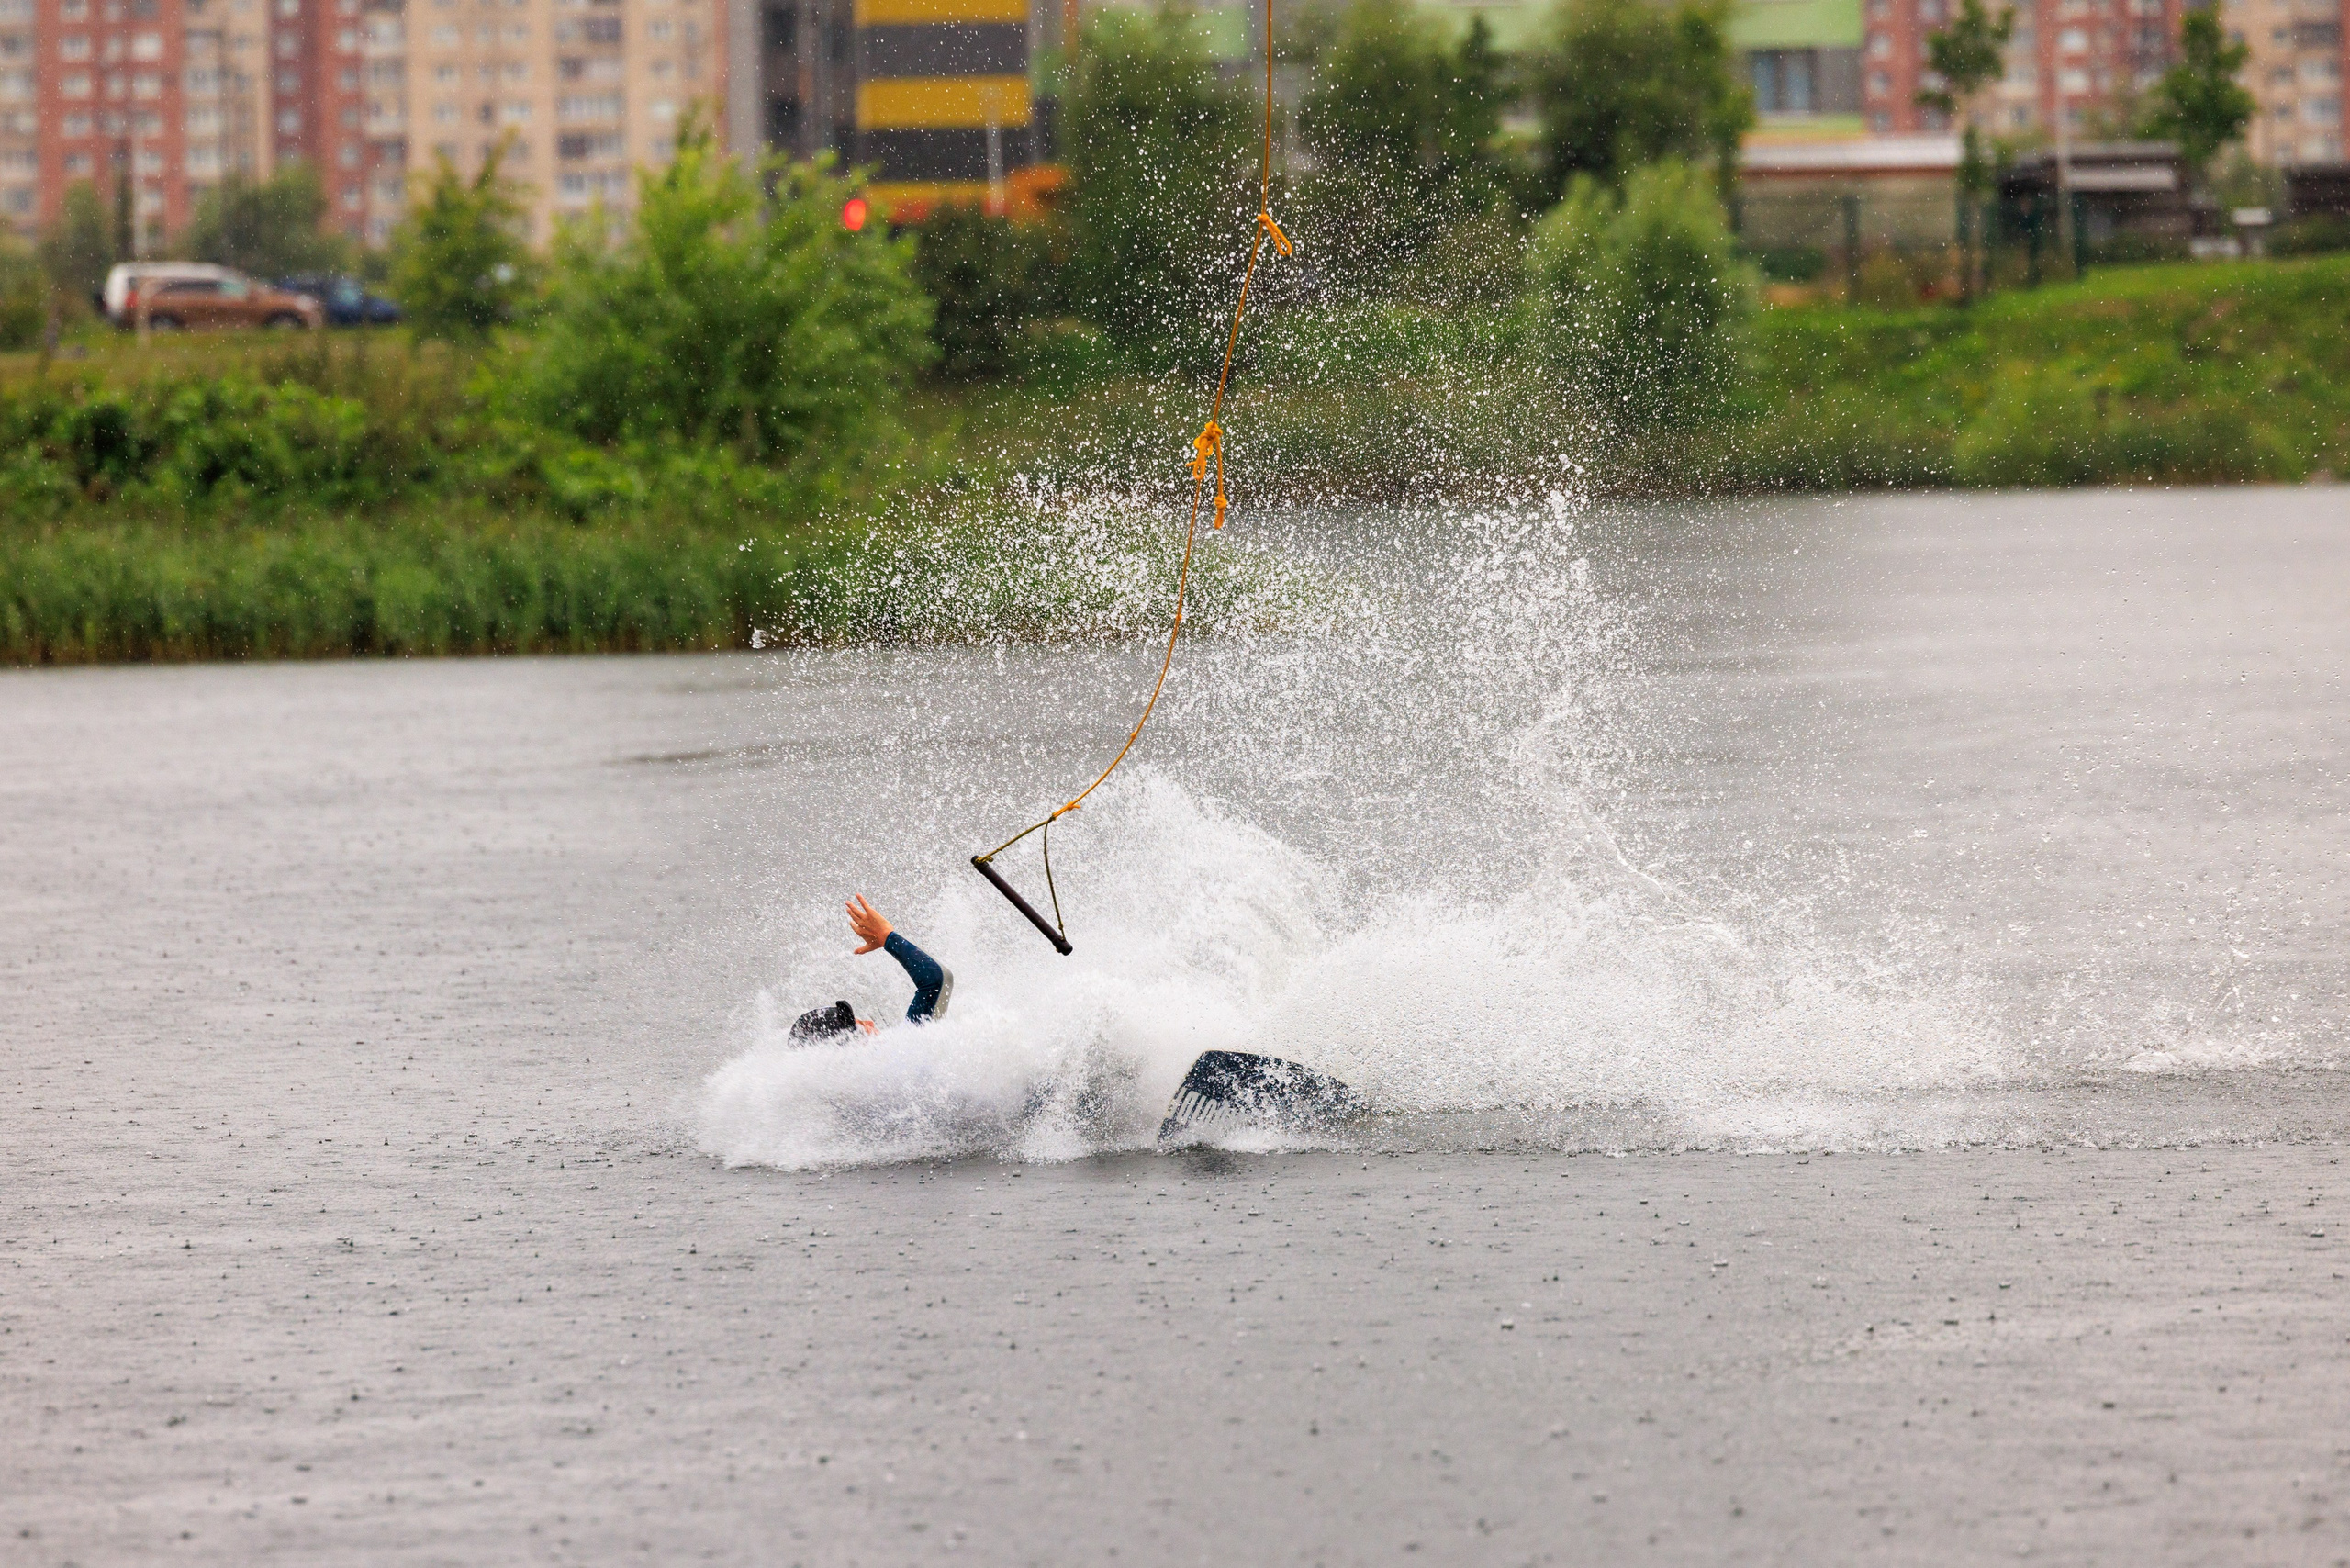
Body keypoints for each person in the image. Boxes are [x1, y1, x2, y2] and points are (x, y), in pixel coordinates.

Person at [788, 896, 953, 1043]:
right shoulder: (900, 1058)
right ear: (853, 1038)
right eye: (861, 1025)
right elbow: (936, 980)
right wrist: (887, 937)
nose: (870, 1023)